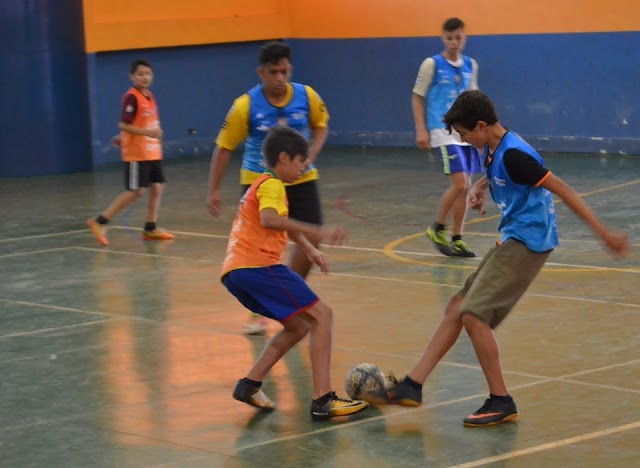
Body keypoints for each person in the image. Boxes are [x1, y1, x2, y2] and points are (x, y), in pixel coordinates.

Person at [387, 90, 630, 427]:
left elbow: (564, 190)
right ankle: (412, 386)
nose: (464, 140)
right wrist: (482, 185)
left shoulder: (515, 155)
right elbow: (500, 168)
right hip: (514, 235)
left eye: (465, 133)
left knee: (474, 315)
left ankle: (501, 399)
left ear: (482, 125)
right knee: (457, 305)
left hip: (529, 241)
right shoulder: (496, 145)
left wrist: (604, 234)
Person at [221, 126, 368, 421]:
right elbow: (271, 219)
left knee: (298, 327)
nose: (304, 169)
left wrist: (310, 249)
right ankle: (323, 399)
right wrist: (318, 231)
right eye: (302, 162)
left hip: (236, 273)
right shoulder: (273, 185)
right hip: (258, 266)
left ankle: (250, 384)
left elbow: (279, 223)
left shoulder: (262, 184)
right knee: (322, 315)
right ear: (284, 157)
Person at [208, 41, 329, 334]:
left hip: (301, 178)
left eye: (284, 71)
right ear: (260, 72)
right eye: (273, 72)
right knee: (262, 247)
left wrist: (309, 155)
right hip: (258, 181)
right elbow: (224, 148)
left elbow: (321, 125)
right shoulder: (244, 106)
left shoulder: (306, 95)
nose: (279, 78)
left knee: (310, 236)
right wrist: (213, 190)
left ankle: (291, 296)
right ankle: (258, 309)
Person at [412, 17, 481, 257]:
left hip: (466, 133)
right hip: (442, 131)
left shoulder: (471, 65)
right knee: (460, 183)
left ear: (465, 38)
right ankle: (437, 227)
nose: (454, 42)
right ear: (443, 38)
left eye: (458, 38)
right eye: (449, 38)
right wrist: (421, 129)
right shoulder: (432, 64)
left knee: (466, 186)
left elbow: (474, 99)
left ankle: (458, 237)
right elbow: (417, 96)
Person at [88, 58, 174, 246]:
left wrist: (123, 136)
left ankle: (150, 228)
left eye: (148, 74)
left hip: (152, 151)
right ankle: (100, 221)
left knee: (158, 186)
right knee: (136, 192)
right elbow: (124, 124)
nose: (144, 77)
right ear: (132, 76)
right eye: (140, 74)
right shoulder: (132, 97)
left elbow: (136, 124)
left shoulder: (149, 96)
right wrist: (145, 133)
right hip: (138, 153)